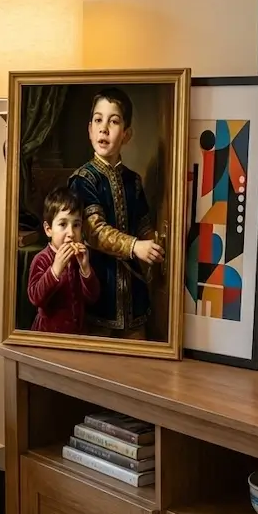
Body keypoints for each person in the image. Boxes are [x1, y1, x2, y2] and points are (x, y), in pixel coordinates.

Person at [68, 87, 164, 339]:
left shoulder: (133, 180)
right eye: (98, 120)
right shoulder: (83, 179)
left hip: (133, 291)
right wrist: (135, 246)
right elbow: (94, 230)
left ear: (127, 134)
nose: (104, 129)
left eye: (114, 121)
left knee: (139, 358)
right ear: (89, 130)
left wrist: (152, 244)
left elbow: (143, 222)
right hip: (99, 287)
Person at [27, 187, 99, 334]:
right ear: (48, 229)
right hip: (48, 336)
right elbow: (35, 298)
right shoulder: (41, 259)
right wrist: (55, 270)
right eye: (62, 224)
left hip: (76, 335)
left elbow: (92, 298)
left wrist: (85, 269)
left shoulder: (79, 258)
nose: (71, 233)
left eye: (76, 225)